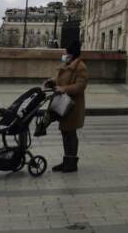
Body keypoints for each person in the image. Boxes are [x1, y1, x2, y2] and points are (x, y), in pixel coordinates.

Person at [42, 40, 88, 173]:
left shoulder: (80, 67)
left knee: (70, 133)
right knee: (65, 132)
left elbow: (81, 85)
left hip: (73, 106)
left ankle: (72, 163)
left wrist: (64, 89)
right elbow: (59, 78)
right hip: (64, 104)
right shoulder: (66, 64)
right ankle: (67, 160)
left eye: (65, 53)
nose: (63, 55)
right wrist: (51, 82)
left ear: (71, 54)